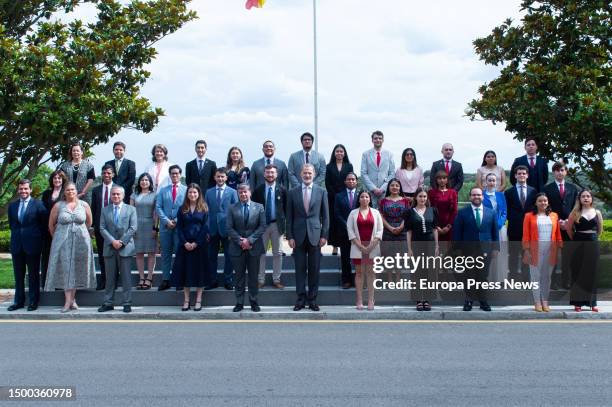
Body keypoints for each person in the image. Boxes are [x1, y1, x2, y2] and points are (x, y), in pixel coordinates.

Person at [45, 182, 96, 312]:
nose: (70, 192)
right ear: (64, 192)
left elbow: (89, 222)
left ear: (76, 190)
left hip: (81, 242)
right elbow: (51, 225)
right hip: (62, 242)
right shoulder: (58, 206)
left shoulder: (84, 205)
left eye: (72, 189)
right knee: (66, 270)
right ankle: (68, 301)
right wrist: (57, 237)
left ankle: (72, 300)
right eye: (67, 190)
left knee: (77, 270)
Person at [287, 164, 329, 311]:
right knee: (299, 269)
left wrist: (324, 235)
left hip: (315, 236)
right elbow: (289, 217)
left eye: (309, 173)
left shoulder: (321, 191)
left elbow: (325, 216)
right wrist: (290, 236)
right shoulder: (292, 192)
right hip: (297, 236)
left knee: (314, 269)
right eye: (304, 173)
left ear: (314, 174)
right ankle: (300, 299)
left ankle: (312, 300)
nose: (307, 175)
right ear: (300, 174)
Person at [453, 187, 499, 312]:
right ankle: (469, 300)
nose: (476, 197)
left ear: (482, 197)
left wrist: (496, 248)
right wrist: (458, 250)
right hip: (468, 250)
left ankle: (483, 301)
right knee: (469, 276)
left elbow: (495, 232)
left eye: (478, 195)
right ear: (470, 197)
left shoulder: (491, 212)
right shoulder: (462, 213)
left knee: (483, 275)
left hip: (486, 249)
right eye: (474, 195)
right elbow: (457, 233)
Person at [7, 179, 47, 311]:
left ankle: (33, 302)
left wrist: (37, 240)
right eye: (21, 189)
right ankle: (18, 301)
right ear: (18, 190)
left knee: (33, 275)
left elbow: (44, 225)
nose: (23, 191)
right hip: (17, 245)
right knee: (18, 275)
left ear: (30, 190)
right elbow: (13, 225)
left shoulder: (38, 204)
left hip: (33, 245)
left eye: (25, 189)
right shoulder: (12, 206)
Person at [226, 184, 267, 312]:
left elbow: (262, 226)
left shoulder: (259, 207)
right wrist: (240, 241)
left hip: (254, 247)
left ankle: (254, 302)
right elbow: (229, 228)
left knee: (253, 277)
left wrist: (249, 240)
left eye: (245, 192)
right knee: (239, 277)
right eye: (240, 192)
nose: (243, 194)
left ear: (250, 192)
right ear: (238, 194)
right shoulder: (232, 208)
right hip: (237, 248)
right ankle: (239, 303)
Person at [97, 186, 137, 313]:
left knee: (126, 277)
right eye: (113, 194)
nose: (115, 196)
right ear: (110, 195)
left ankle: (127, 302)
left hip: (125, 248)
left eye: (118, 194)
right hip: (110, 247)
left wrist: (121, 241)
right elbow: (102, 228)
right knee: (110, 278)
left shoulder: (131, 209)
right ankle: (108, 302)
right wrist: (112, 241)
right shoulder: (105, 210)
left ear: (123, 195)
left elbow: (133, 227)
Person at [170, 184, 209, 312]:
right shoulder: (182, 209)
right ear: (187, 194)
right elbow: (179, 228)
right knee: (184, 273)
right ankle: (186, 300)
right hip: (184, 246)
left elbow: (205, 227)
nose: (192, 195)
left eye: (195, 192)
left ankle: (198, 300)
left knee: (200, 273)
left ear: (199, 194)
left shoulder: (204, 208)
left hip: (199, 246)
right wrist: (185, 242)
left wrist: (196, 243)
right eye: (190, 192)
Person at [522, 193, 563, 312]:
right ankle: (537, 302)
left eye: (545, 200)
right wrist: (527, 250)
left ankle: (545, 301)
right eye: (540, 201)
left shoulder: (554, 215)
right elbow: (525, 235)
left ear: (548, 202)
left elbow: (558, 234)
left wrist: (560, 247)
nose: (543, 203)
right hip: (535, 250)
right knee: (535, 277)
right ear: (535, 203)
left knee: (547, 277)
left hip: (551, 249)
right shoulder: (529, 216)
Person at [543, 161, 578, 289]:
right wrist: (556, 221)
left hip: (568, 227)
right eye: (557, 170)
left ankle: (566, 282)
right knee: (552, 256)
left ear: (566, 172)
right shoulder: (547, 188)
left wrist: (569, 222)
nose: (560, 172)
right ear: (554, 172)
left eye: (562, 170)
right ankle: (552, 282)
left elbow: (576, 207)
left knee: (567, 256)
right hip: (553, 226)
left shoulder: (573, 188)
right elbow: (545, 207)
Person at [252, 165, 287, 289]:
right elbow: (254, 209)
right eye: (268, 173)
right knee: (261, 253)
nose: (270, 175)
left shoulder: (282, 189)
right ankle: (260, 280)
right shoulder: (258, 190)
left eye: (272, 173)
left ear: (276, 175)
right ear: (264, 174)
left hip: (277, 225)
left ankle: (276, 279)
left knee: (277, 253)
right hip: (262, 226)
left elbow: (286, 209)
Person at [567, 190, 603, 312]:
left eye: (588, 196)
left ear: (591, 198)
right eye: (583, 196)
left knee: (592, 273)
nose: (586, 198)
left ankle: (593, 303)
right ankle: (578, 303)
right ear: (579, 199)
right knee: (578, 272)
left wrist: (592, 238)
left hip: (593, 243)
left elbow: (600, 230)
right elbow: (569, 229)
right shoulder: (575, 213)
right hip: (578, 243)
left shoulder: (597, 212)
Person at [346, 190, 383, 310]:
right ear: (359, 199)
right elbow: (350, 230)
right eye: (362, 196)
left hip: (373, 247)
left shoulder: (376, 212)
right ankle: (359, 300)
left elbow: (380, 230)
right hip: (358, 247)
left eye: (367, 197)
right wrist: (360, 246)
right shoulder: (353, 213)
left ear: (370, 199)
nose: (364, 199)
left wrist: (372, 245)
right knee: (360, 273)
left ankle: (371, 299)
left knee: (371, 273)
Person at [205, 167, 238, 290]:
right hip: (212, 229)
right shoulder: (209, 192)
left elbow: (236, 212)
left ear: (226, 178)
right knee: (211, 256)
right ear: (214, 177)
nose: (220, 178)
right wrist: (206, 229)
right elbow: (205, 212)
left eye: (222, 176)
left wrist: (233, 230)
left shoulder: (233, 192)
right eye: (218, 176)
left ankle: (228, 280)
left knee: (229, 256)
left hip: (227, 229)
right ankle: (212, 280)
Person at [406, 188, 439, 311]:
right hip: (416, 244)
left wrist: (436, 246)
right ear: (416, 197)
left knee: (429, 272)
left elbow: (435, 229)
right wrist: (409, 249)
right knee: (417, 272)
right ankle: (419, 299)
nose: (422, 199)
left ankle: (427, 299)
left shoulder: (432, 210)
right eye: (420, 196)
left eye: (425, 196)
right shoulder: (410, 212)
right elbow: (409, 232)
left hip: (430, 244)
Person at [155, 165, 187, 290]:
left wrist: (177, 220)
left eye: (177, 173)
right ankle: (166, 279)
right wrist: (166, 221)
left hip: (180, 228)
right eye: (172, 174)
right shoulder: (163, 190)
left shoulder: (186, 190)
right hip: (165, 227)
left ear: (180, 175)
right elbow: (158, 207)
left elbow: (187, 207)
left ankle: (179, 280)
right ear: (170, 175)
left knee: (179, 254)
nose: (174, 175)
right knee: (166, 254)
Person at [505, 165, 537, 281]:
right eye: (519, 173)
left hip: (529, 229)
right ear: (515, 175)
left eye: (524, 173)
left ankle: (525, 279)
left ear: (527, 175)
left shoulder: (533, 191)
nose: (521, 175)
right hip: (514, 228)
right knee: (513, 254)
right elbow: (506, 210)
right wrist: (513, 219)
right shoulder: (509, 192)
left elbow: (535, 209)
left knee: (527, 254)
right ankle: (512, 278)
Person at [378, 179, 411, 283]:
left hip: (402, 230)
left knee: (399, 256)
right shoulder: (383, 201)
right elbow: (381, 216)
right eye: (392, 185)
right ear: (389, 187)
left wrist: (401, 227)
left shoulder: (405, 201)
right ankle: (389, 278)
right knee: (388, 256)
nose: (394, 187)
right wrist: (390, 228)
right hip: (387, 230)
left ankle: (398, 279)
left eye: (397, 185)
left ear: (400, 187)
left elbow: (408, 216)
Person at [325, 144, 353, 256]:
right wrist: (335, 195)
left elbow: (351, 180)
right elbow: (327, 182)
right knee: (334, 221)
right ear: (334, 153)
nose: (339, 153)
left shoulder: (349, 166)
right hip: (332, 198)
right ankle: (335, 246)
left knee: (345, 220)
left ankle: (346, 244)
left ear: (344, 153)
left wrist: (342, 194)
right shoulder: (329, 166)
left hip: (345, 197)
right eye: (337, 151)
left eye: (341, 151)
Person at [131, 173, 158, 290]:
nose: (144, 182)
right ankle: (141, 277)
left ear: (150, 182)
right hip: (137, 225)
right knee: (139, 253)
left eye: (146, 180)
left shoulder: (155, 195)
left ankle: (149, 277)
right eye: (142, 180)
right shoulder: (134, 195)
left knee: (151, 253)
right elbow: (131, 212)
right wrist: (132, 228)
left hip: (150, 224)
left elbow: (156, 213)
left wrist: (155, 228)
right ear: (139, 182)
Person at [91, 164, 116, 290]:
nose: (106, 175)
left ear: (113, 174)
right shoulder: (96, 190)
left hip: (115, 227)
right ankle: (104, 280)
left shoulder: (118, 189)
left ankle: (114, 280)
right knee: (102, 255)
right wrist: (93, 226)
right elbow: (93, 209)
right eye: (104, 173)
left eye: (109, 173)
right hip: (100, 227)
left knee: (115, 254)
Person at [40, 170, 67, 288]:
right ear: (52, 180)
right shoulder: (46, 193)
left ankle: (60, 283)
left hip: (61, 229)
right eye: (55, 178)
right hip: (47, 230)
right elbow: (42, 210)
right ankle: (46, 282)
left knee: (61, 257)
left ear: (63, 180)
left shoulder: (66, 193)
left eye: (59, 178)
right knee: (46, 256)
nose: (57, 180)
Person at [334, 172, 359, 288]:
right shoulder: (339, 196)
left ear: (356, 181)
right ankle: (346, 280)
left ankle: (358, 280)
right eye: (349, 179)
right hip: (344, 232)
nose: (351, 181)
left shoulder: (361, 195)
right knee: (345, 258)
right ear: (345, 182)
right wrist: (348, 226)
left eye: (353, 179)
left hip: (359, 232)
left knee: (359, 257)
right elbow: (337, 214)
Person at [482, 173, 508, 282]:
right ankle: (487, 278)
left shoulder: (501, 195)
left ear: (496, 182)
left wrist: (499, 223)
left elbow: (504, 212)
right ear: (486, 182)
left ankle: (500, 279)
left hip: (500, 228)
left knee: (500, 253)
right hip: (487, 229)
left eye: (494, 180)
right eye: (490, 180)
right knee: (487, 253)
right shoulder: (481, 195)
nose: (492, 182)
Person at [360, 130, 395, 208]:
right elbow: (363, 173)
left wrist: (383, 188)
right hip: (369, 191)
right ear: (372, 140)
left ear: (383, 140)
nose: (378, 140)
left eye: (380, 138)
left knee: (383, 215)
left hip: (384, 192)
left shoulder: (389, 154)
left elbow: (392, 173)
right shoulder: (365, 154)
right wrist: (373, 188)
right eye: (375, 138)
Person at [428, 171, 458, 254]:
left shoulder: (453, 192)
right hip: (434, 225)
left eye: (444, 178)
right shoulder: (431, 192)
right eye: (439, 178)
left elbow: (454, 211)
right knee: (435, 251)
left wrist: (448, 226)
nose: (442, 180)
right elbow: (429, 210)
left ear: (447, 180)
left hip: (449, 226)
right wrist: (436, 226)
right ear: (436, 180)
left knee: (448, 251)